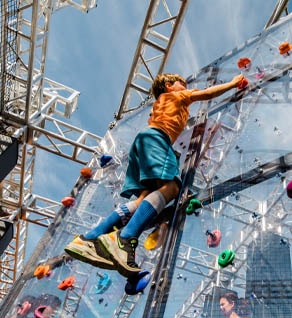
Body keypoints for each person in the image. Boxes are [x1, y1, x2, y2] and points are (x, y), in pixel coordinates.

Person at [65, 73, 244, 278]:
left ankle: (88, 239)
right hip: (158, 138)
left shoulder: (163, 105)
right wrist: (233, 83)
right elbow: (206, 94)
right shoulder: (177, 97)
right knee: (172, 188)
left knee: (143, 198)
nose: (185, 87)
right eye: (181, 84)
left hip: (144, 141)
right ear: (168, 86)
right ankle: (124, 239)